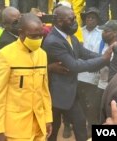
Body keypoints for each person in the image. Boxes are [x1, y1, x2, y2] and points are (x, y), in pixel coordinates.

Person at [42, 6, 113, 141]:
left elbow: (85, 53)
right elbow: (74, 65)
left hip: (71, 92)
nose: (75, 22)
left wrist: (106, 57)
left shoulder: (70, 36)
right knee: (53, 130)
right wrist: (103, 60)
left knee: (80, 125)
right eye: (71, 19)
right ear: (59, 21)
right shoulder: (53, 41)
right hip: (55, 96)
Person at [0, 13, 52, 141]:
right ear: (21, 33)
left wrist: (48, 118)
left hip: (39, 125)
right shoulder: (5, 55)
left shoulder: (42, 54)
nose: (38, 39)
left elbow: (44, 91)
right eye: (33, 36)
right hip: (16, 128)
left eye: (41, 36)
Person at [77, 7, 102, 137]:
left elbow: (100, 54)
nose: (89, 20)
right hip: (78, 73)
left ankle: (91, 128)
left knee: (92, 105)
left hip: (94, 74)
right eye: (87, 17)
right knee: (79, 103)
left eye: (92, 17)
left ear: (97, 20)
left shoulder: (102, 33)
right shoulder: (79, 32)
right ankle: (78, 127)